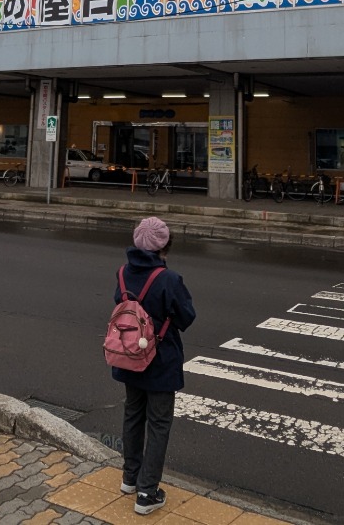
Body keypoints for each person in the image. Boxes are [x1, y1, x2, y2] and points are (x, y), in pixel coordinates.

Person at [110, 216, 196, 515]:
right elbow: (186, 317)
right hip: (160, 361)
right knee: (159, 423)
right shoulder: (169, 279)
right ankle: (147, 493)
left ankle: (130, 478)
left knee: (133, 414)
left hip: (129, 355)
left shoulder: (123, 273)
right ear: (164, 245)